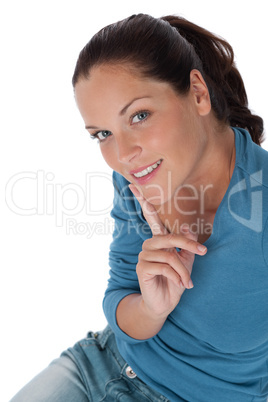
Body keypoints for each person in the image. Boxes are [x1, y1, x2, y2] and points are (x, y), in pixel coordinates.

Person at [10, 13, 268, 402]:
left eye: (140, 116)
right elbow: (119, 296)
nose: (123, 154)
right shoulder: (139, 179)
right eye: (103, 134)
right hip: (104, 367)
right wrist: (152, 307)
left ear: (198, 93)